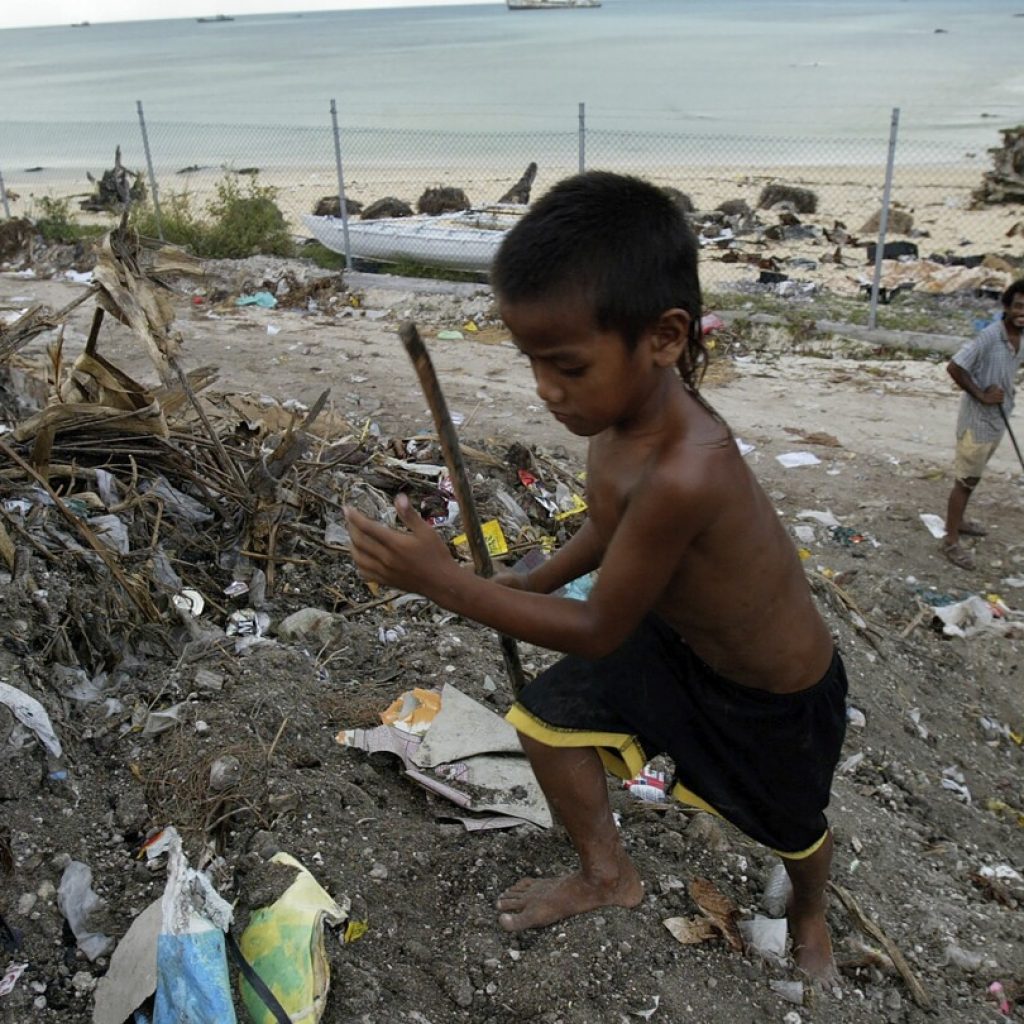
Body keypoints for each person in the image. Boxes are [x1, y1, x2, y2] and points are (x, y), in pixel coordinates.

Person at [345, 171, 847, 981]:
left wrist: (448, 584)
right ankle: (607, 874)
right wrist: (526, 584)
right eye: (532, 362)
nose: (547, 391)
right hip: (676, 640)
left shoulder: (689, 468)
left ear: (665, 337)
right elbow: (606, 532)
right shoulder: (617, 422)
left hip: (773, 691)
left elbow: (601, 628)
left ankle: (814, 911)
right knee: (547, 721)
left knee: (791, 823)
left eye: (568, 366)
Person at [942, 279, 1024, 571]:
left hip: (997, 421)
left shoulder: (1020, 339)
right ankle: (950, 540)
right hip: (977, 423)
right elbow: (954, 367)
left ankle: (960, 522)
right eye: (1018, 306)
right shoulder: (990, 336)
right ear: (1006, 307)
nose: (1022, 312)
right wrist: (981, 394)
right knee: (964, 481)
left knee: (972, 478)